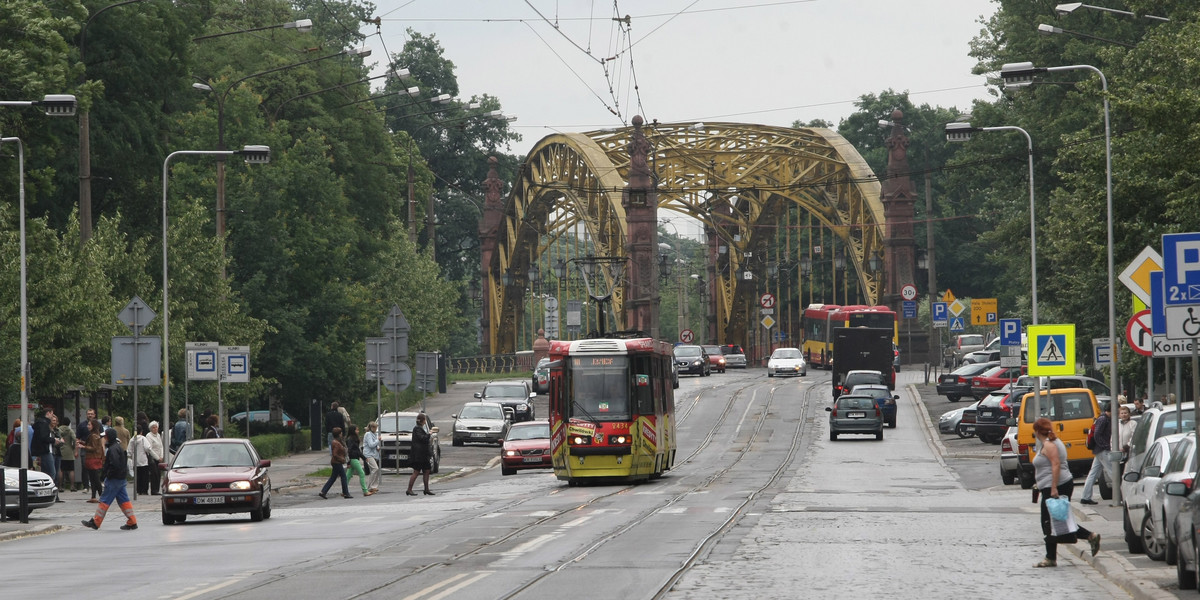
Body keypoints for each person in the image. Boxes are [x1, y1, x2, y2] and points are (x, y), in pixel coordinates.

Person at [1032, 417, 1099, 567]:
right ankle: (1089, 536)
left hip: (1055, 486)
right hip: (1053, 485)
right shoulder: (1051, 442)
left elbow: (1055, 465)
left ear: (1037, 431)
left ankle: (1051, 557)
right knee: (1059, 520)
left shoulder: (1049, 445)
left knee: (1048, 522)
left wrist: (1054, 487)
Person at [81, 428, 138, 531]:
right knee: (124, 500)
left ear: (107, 437)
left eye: (104, 436)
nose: (103, 438)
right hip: (120, 478)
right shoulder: (118, 447)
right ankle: (132, 521)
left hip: (114, 479)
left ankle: (96, 522)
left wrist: (107, 475)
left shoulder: (112, 449)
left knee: (104, 500)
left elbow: (114, 464)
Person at [1080, 403, 1113, 505]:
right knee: (1113, 472)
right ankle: (1121, 496)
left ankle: (1085, 497)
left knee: (1093, 474)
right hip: (1102, 450)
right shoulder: (1103, 419)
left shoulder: (1102, 418)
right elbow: (1097, 434)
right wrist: (1105, 446)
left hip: (1099, 450)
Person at [406, 413, 435, 496]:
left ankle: (426, 489)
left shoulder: (419, 428)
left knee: (427, 470)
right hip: (419, 455)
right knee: (416, 471)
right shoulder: (417, 429)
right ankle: (409, 489)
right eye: (425, 420)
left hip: (423, 455)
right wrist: (429, 434)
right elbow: (423, 438)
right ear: (423, 421)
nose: (425, 421)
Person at [319, 427, 351, 499]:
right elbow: (335, 454)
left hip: (335, 462)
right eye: (341, 433)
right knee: (343, 477)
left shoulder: (336, 442)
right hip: (337, 462)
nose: (342, 434)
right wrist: (342, 459)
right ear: (339, 434)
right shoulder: (336, 443)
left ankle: (323, 491)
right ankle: (346, 492)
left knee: (333, 477)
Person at [80, 419, 105, 503]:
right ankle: (93, 496)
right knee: (93, 478)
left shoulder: (93, 436)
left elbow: (93, 448)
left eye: (89, 425)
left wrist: (84, 447)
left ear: (93, 426)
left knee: (95, 478)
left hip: (92, 459)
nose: (88, 426)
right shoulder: (95, 435)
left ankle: (102, 496)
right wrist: (82, 443)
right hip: (94, 458)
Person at [31, 407, 56, 483]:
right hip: (45, 450)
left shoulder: (40, 423)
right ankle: (49, 487)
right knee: (52, 472)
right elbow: (44, 437)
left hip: (40, 450)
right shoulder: (44, 424)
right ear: (48, 413)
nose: (52, 416)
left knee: (45, 472)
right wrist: (54, 440)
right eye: (52, 414)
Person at [345, 425, 370, 496]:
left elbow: (357, 451)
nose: (358, 431)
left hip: (354, 458)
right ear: (353, 431)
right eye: (357, 430)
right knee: (362, 473)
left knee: (348, 475)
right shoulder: (350, 440)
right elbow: (350, 450)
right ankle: (365, 491)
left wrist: (363, 457)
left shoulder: (353, 439)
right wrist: (349, 461)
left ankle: (344, 490)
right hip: (353, 459)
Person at [131, 422, 151, 496]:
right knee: (144, 476)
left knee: (138, 476)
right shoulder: (143, 439)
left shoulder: (132, 440)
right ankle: (144, 490)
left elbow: (129, 451)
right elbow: (147, 448)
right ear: (141, 431)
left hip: (135, 461)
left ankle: (138, 490)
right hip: (143, 460)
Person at [363, 421, 382, 495]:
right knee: (375, 468)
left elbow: (375, 444)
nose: (376, 429)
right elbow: (371, 444)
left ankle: (373, 486)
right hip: (368, 454)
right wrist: (378, 440)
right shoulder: (368, 434)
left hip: (373, 454)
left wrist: (377, 447)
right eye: (375, 427)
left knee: (374, 470)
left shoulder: (374, 434)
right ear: (372, 428)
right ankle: (369, 486)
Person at [58, 415, 76, 492]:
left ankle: (60, 486)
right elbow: (74, 439)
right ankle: (72, 486)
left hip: (60, 451)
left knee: (61, 469)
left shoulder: (58, 430)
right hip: (69, 452)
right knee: (71, 469)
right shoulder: (70, 430)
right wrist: (73, 447)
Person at [145, 421, 163, 495]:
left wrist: (161, 456)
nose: (155, 429)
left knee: (158, 474)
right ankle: (153, 490)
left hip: (159, 457)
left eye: (156, 427)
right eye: (153, 427)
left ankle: (157, 489)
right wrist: (157, 457)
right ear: (150, 429)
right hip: (153, 457)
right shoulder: (148, 436)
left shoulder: (158, 435)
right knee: (154, 473)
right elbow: (149, 449)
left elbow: (161, 446)